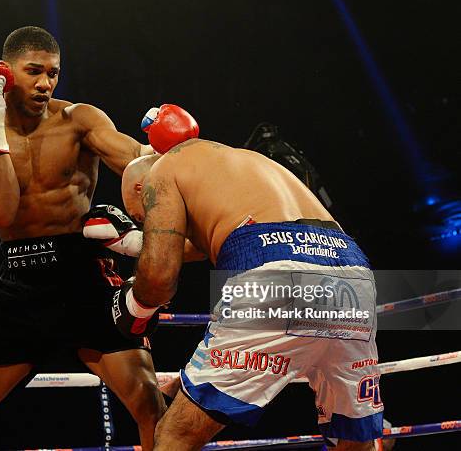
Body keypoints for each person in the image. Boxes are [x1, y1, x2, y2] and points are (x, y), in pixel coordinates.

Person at [0, 26, 165, 451]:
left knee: (150, 405)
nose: (45, 83)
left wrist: (170, 152)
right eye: (34, 72)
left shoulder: (78, 120)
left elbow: (138, 167)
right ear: (4, 73)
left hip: (83, 275)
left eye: (54, 74)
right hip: (18, 283)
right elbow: (1, 211)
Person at [113, 105, 384, 450]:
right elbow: (213, 240)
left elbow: (160, 275)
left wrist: (133, 307)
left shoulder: (162, 169)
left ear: (141, 189)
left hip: (275, 273)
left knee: (176, 434)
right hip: (352, 274)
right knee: (352, 438)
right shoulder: (245, 163)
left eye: (143, 218)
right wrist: (135, 244)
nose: (146, 224)